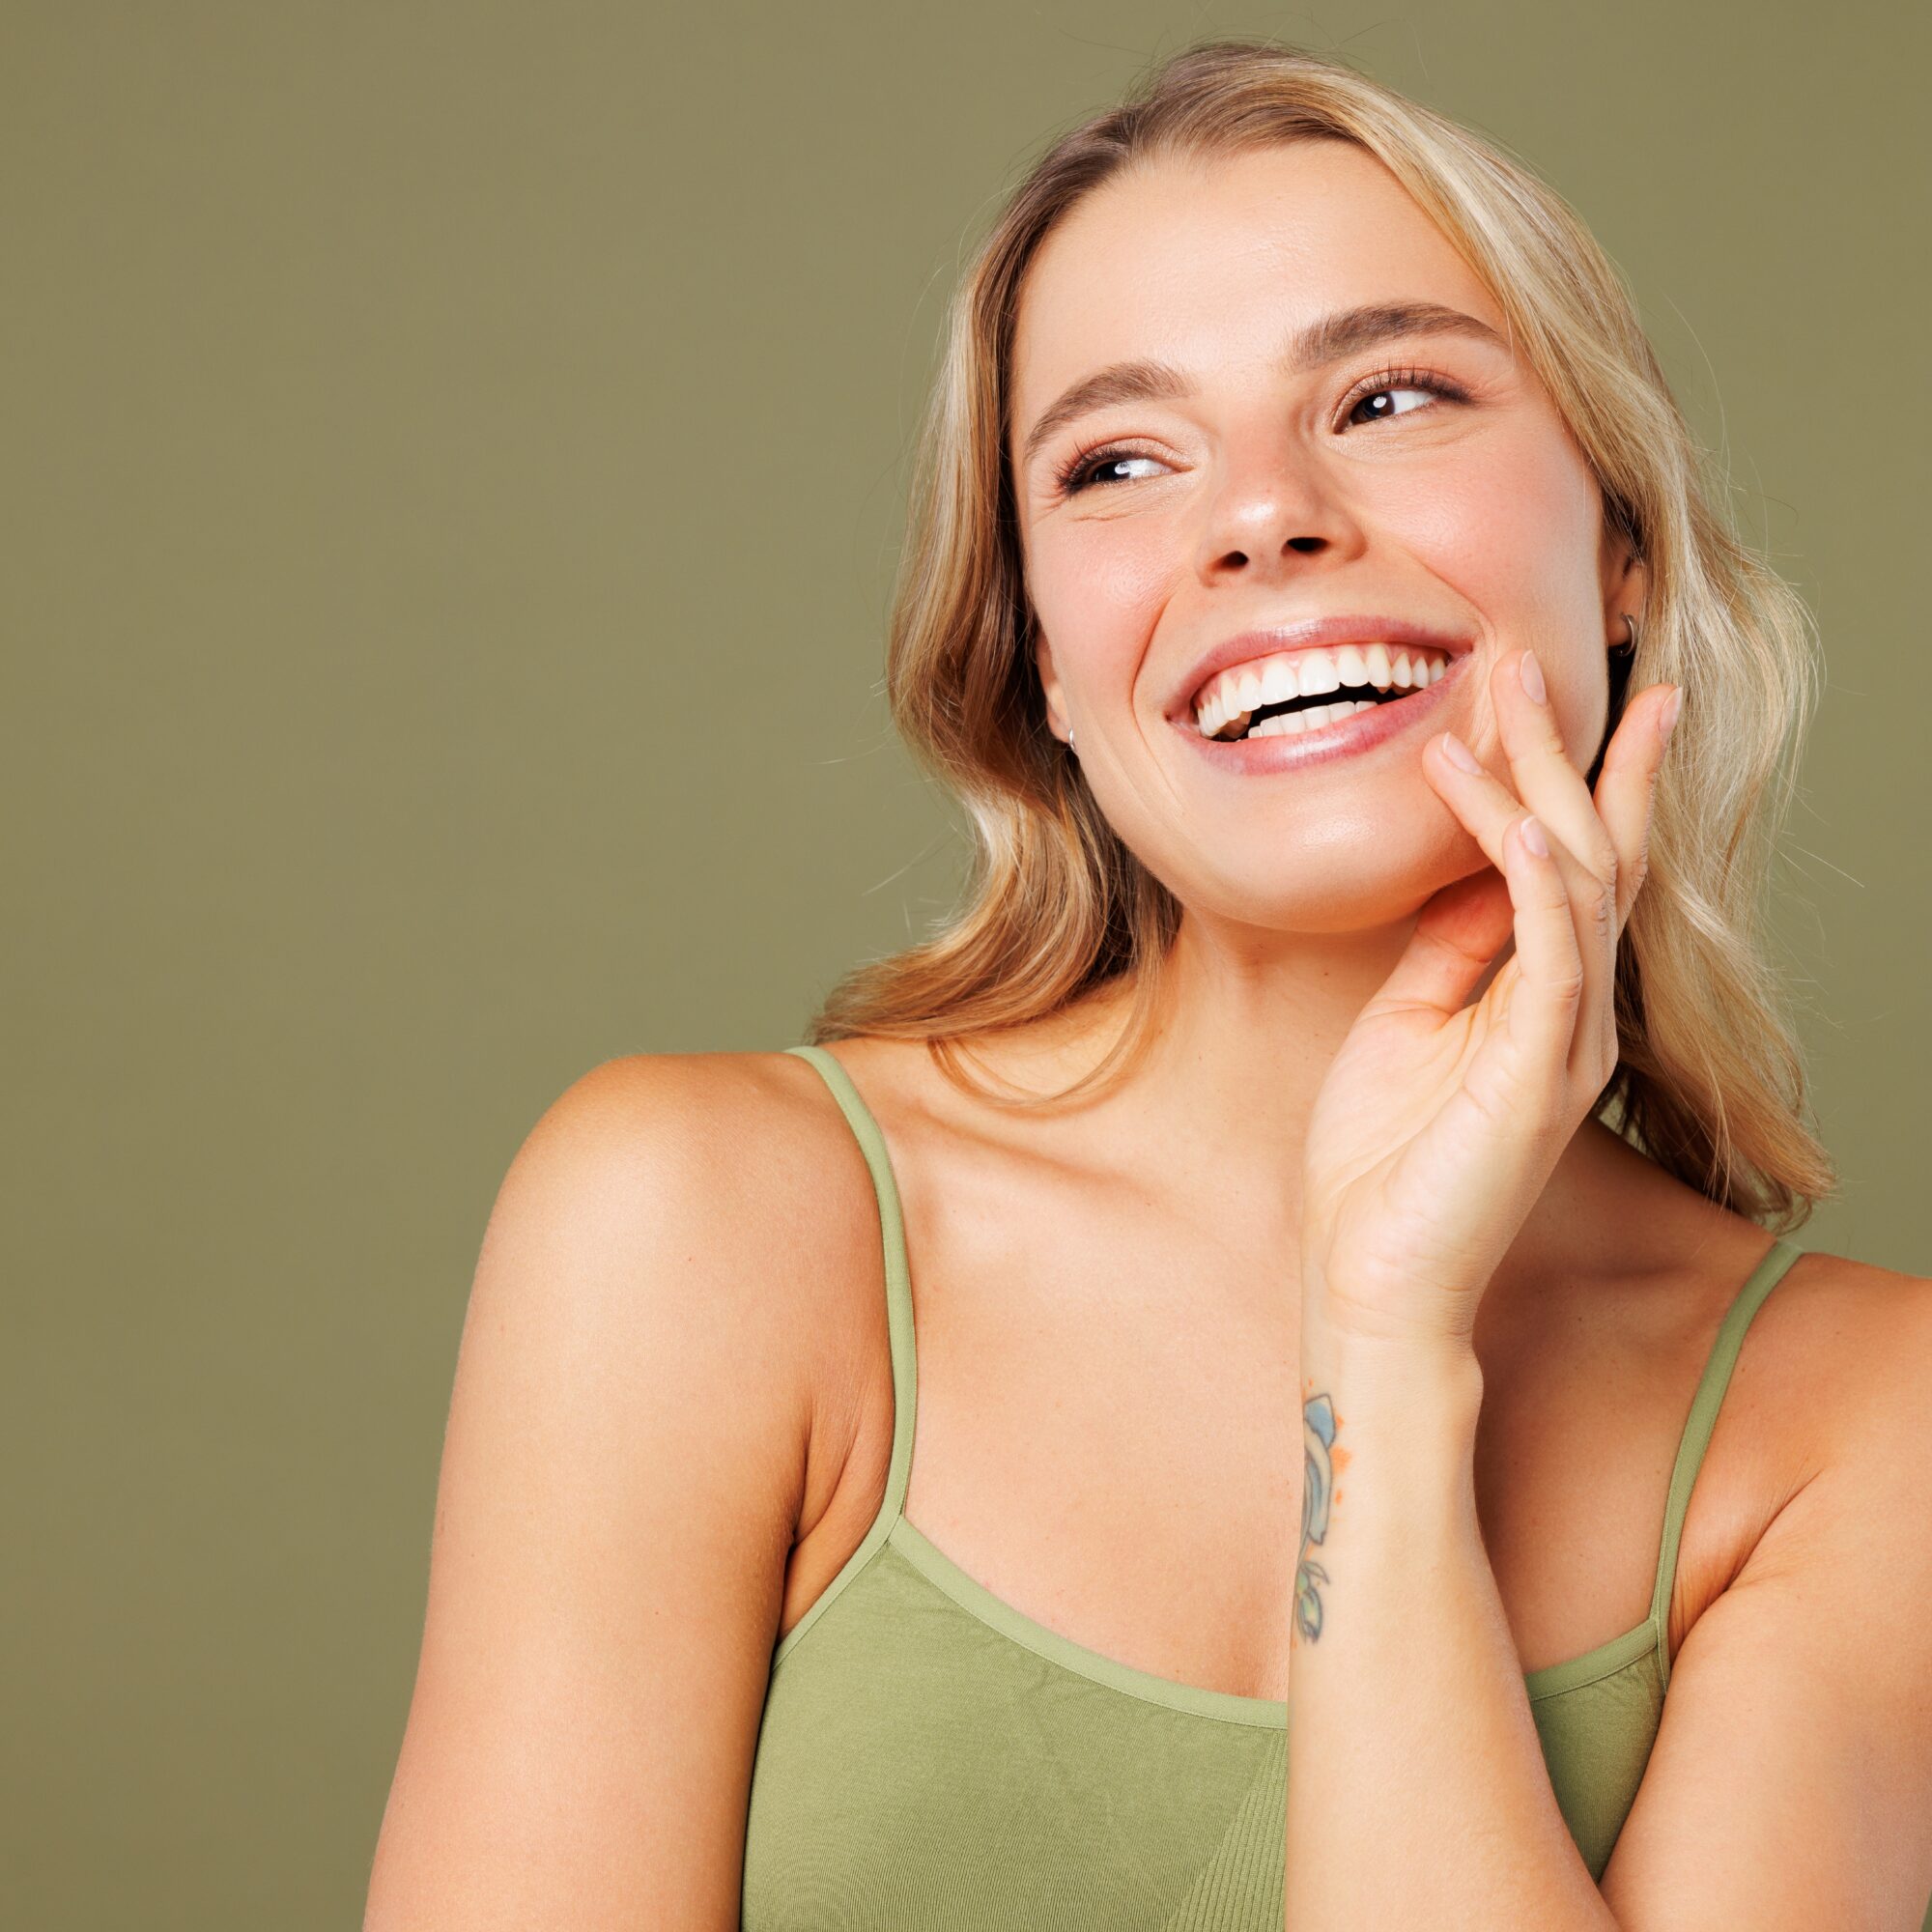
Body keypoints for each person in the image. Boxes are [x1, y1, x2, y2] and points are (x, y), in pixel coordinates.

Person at [363, 39, 1932, 1931]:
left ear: (1616, 548)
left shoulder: (1865, 1420)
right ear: (1041, 658)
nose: (1258, 515)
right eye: (1117, 460)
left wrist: (1382, 1333)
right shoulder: (695, 1225)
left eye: (1389, 394)